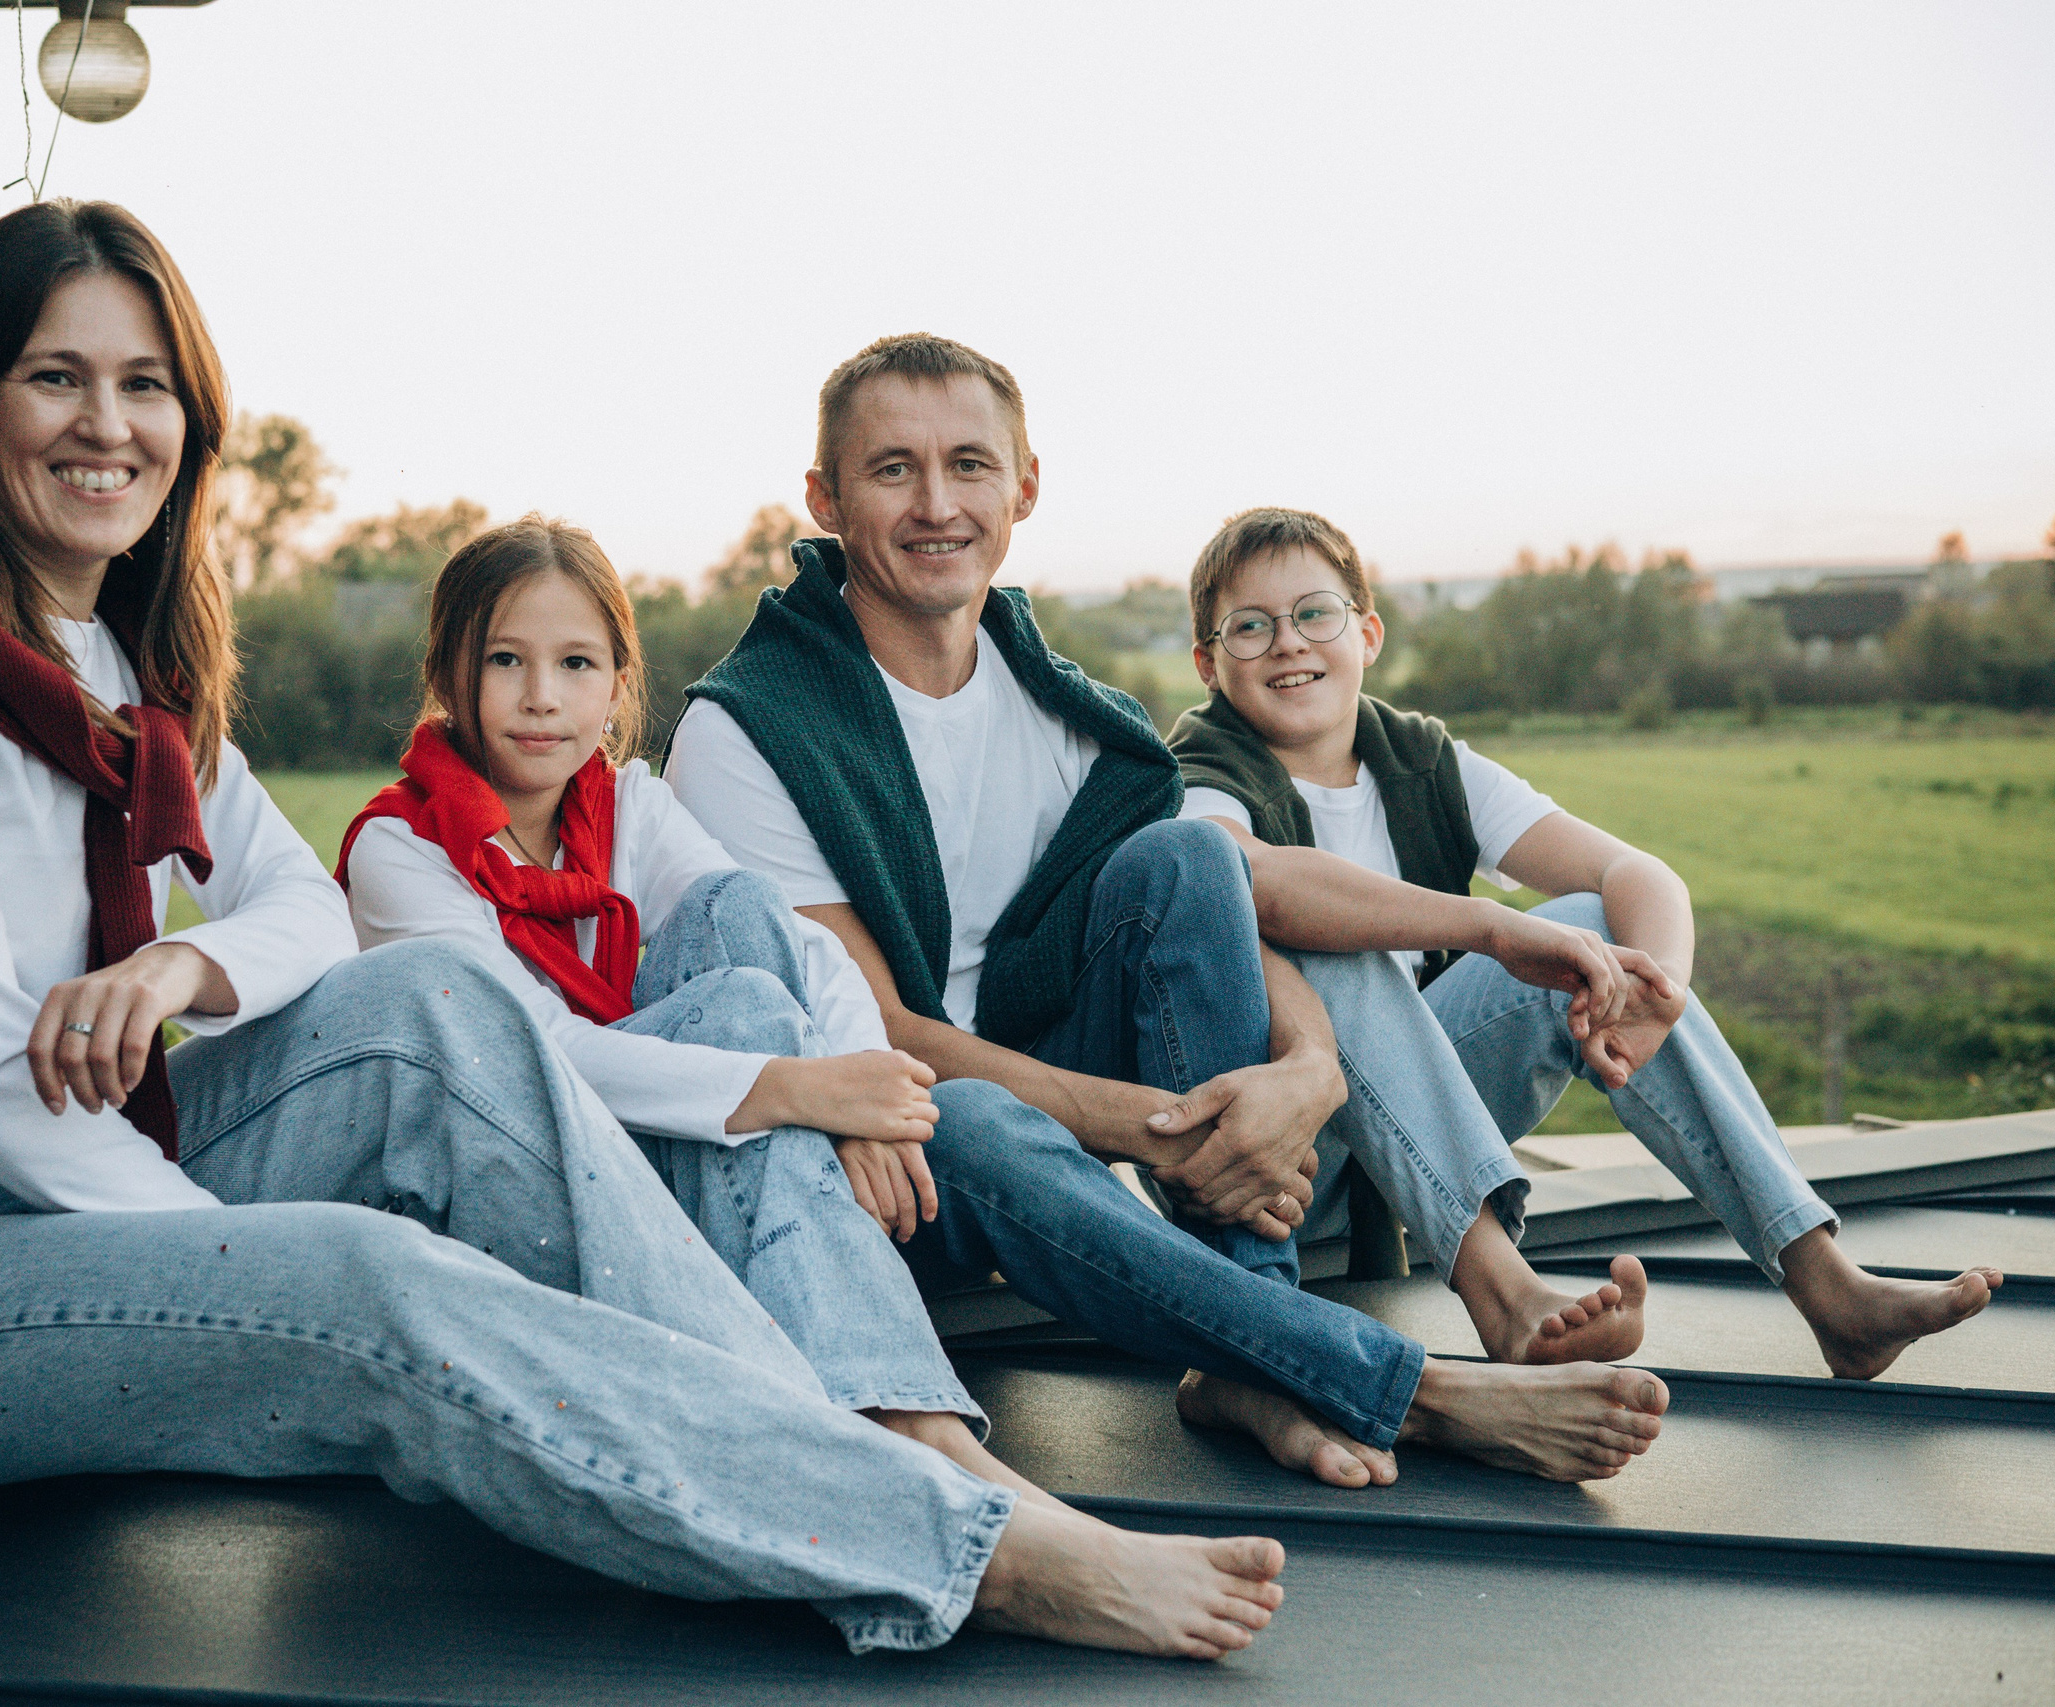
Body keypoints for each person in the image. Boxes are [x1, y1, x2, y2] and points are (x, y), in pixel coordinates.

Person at [0, 201, 1289, 1662]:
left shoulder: (110, 665)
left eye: (145, 387)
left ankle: (877, 1452)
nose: (107, 425)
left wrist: (182, 962)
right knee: (363, 1282)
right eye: (58, 377)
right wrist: (231, 1247)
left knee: (434, 1003)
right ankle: (952, 1543)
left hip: (38, 1173)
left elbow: (294, 905)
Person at [665, 331, 1671, 1490]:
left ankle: (1248, 1346)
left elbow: (1212, 913)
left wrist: (1304, 1075)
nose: (935, 504)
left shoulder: (1067, 716)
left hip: (1066, 1096)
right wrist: (1171, 1130)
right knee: (974, 1117)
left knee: (1189, 857)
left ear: (1024, 487)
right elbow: (874, 1034)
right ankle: (1401, 1386)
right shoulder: (749, 726)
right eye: (892, 469)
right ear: (825, 498)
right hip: (881, 1153)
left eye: (969, 466)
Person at [338, 512, 1085, 1511]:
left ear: (616, 685)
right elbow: (531, 1056)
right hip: (508, 1192)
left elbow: (805, 949)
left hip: (656, 1153)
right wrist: (798, 1090)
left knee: (736, 915)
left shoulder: (629, 811)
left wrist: (858, 1094)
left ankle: (895, 1418)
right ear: (447, 676)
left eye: (574, 663)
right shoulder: (402, 852)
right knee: (737, 1012)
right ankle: (906, 1419)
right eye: (504, 660)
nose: (540, 697)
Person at [1165, 505, 2005, 1379]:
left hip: (1424, 1132)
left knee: (1598, 934)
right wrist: (1494, 925)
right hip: (1287, 1166)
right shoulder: (1196, 773)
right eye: (1250, 627)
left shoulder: (1419, 759)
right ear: (1208, 664)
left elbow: (1638, 876)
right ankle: (1506, 1294)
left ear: (1367, 632)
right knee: (1337, 941)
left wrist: (1656, 995)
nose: (1289, 644)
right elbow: (1260, 882)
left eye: (1315, 614)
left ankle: (1828, 1283)